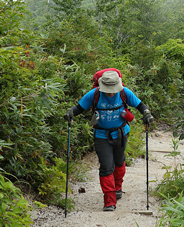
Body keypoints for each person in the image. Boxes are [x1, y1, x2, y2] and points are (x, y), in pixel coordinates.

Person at [64, 69, 153, 211]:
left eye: (113, 90)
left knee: (119, 161)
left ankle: (118, 187)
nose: (111, 93)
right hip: (101, 135)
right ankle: (109, 201)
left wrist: (147, 114)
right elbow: (79, 108)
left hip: (121, 132)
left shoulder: (124, 92)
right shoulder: (94, 94)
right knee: (106, 167)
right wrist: (70, 113)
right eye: (108, 90)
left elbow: (140, 105)